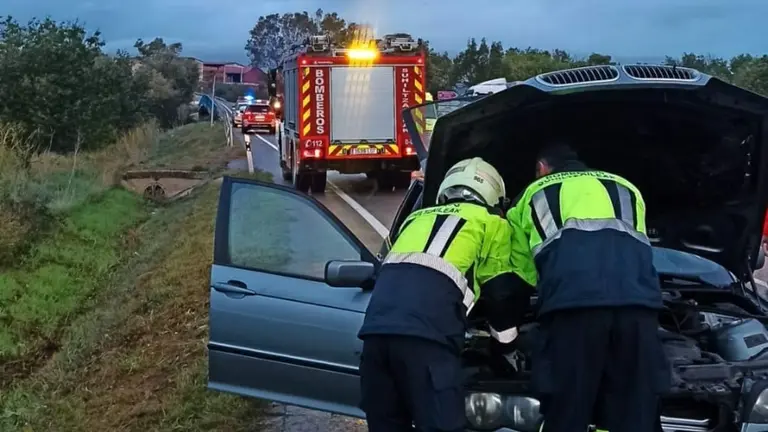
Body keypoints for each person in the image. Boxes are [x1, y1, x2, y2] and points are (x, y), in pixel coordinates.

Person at [358, 157, 532, 432]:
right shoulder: (492, 224)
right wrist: (506, 349)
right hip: (427, 341)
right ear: (495, 198)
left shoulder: (414, 219)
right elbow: (500, 293)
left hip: (375, 338)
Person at [506, 144, 671, 432]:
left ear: (542, 168)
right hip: (638, 307)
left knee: (568, 406)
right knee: (636, 408)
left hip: (572, 308)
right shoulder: (626, 187)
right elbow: (637, 248)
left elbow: (520, 272)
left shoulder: (532, 194)